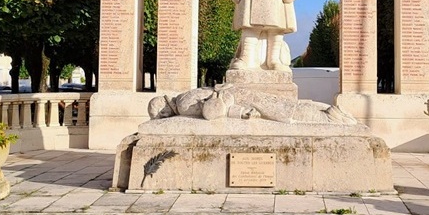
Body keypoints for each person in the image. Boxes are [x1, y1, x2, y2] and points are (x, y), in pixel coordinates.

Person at [147, 84, 357, 125]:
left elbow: (212, 110)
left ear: (164, 113)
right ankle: (326, 112)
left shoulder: (183, 106)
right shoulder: (183, 96)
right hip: (236, 94)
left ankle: (328, 116)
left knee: (282, 111)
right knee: (282, 106)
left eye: (160, 116)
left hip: (236, 97)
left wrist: (237, 112)